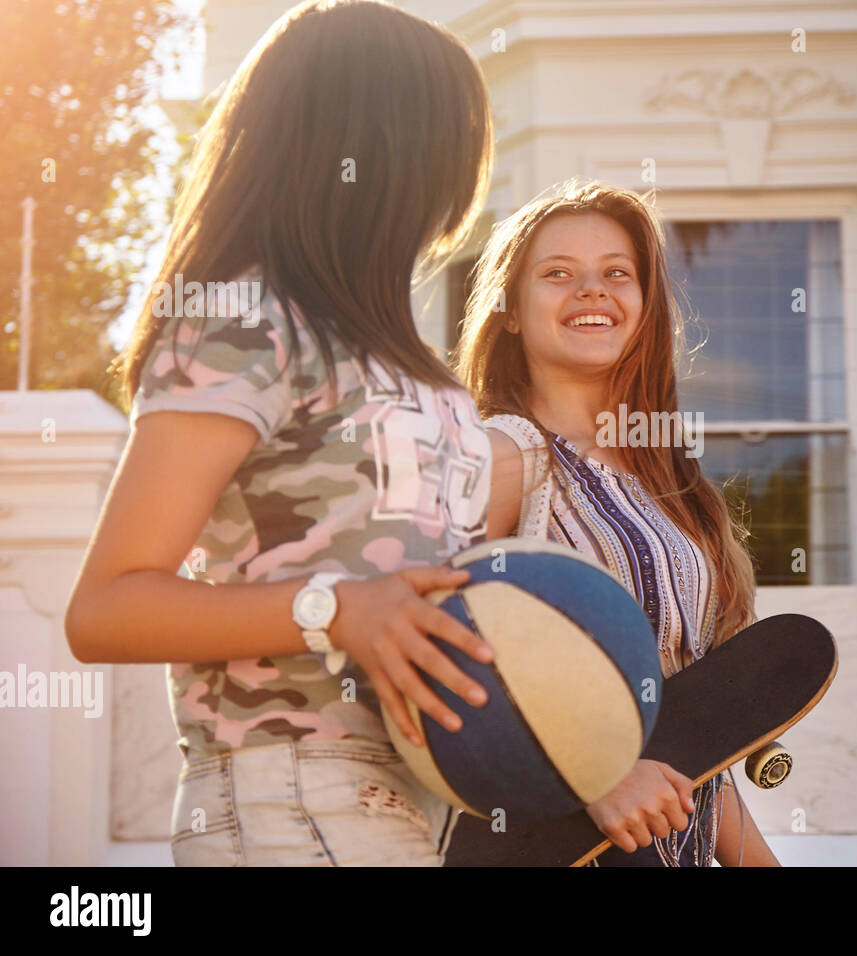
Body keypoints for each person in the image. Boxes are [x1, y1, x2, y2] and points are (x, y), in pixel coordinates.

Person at [64, 0, 496, 866]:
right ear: (381, 150)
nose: (454, 186)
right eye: (448, 146)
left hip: (424, 794)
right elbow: (105, 609)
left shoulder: (416, 370)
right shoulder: (244, 319)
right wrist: (332, 610)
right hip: (287, 794)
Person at [453, 179, 781, 866]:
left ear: (643, 306)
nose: (592, 291)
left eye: (616, 274)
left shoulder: (677, 491)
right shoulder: (503, 454)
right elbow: (446, 662)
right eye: (558, 274)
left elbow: (693, 749)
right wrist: (595, 771)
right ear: (509, 311)